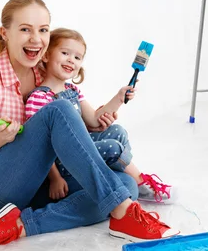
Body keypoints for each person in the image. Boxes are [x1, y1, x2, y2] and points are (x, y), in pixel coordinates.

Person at [0, 0, 179, 251]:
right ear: (6, 33)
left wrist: (115, 102)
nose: (36, 39)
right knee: (59, 109)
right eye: (25, 29)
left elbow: (76, 128)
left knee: (123, 186)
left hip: (35, 185)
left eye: (43, 30)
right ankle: (124, 214)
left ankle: (20, 226)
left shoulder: (42, 70)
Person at [24, 27, 173, 205]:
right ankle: (142, 183)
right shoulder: (39, 97)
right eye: (65, 53)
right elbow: (41, 147)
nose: (71, 60)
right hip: (62, 160)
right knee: (112, 147)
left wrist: (119, 97)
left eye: (77, 57)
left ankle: (123, 176)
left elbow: (94, 119)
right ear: (46, 56)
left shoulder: (73, 90)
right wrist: (55, 178)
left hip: (81, 148)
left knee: (117, 131)